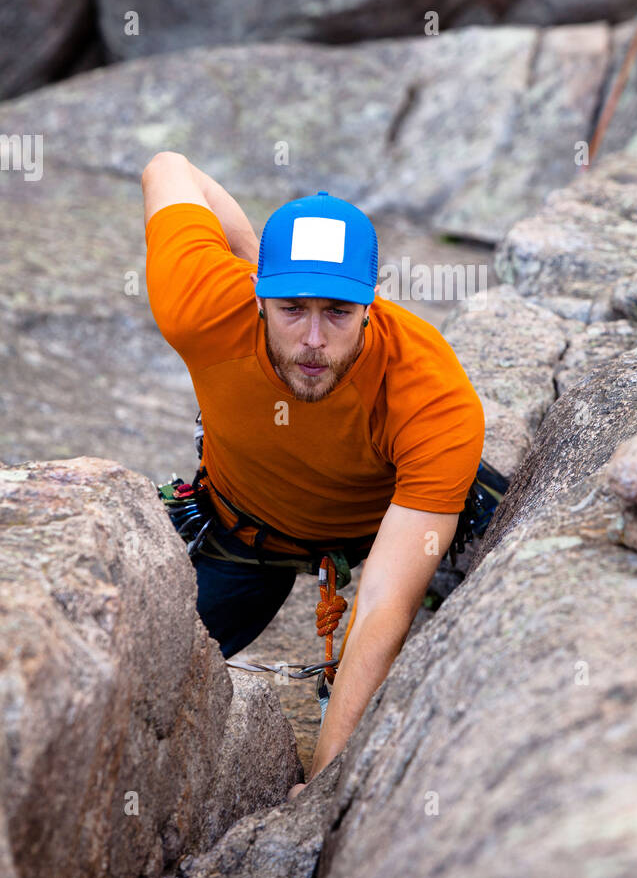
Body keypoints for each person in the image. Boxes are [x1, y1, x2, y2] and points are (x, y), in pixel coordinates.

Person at [142, 153, 488, 792]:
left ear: (370, 307)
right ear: (258, 296)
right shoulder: (202, 305)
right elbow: (168, 164)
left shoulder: (431, 396)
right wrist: (248, 254)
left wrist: (324, 785)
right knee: (145, 680)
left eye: (337, 311)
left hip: (382, 520)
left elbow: (385, 599)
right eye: (291, 307)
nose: (311, 339)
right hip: (247, 525)